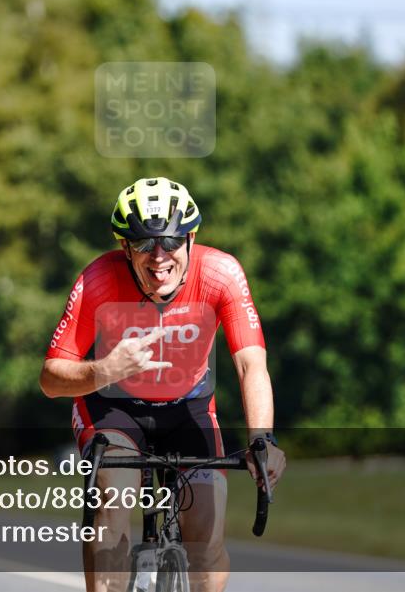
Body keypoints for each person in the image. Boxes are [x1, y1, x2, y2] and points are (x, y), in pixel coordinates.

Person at [41, 177, 286, 592]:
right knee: (113, 506)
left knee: (206, 542)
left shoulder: (220, 274)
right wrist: (105, 370)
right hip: (113, 407)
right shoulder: (98, 281)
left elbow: (251, 364)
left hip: (188, 407)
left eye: (171, 242)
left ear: (191, 238)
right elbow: (51, 378)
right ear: (124, 248)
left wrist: (263, 438)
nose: (159, 257)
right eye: (143, 244)